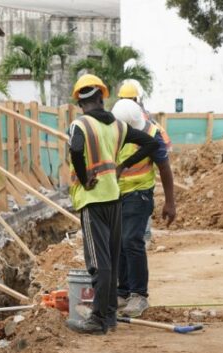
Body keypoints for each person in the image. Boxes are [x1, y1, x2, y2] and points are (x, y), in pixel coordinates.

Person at [66, 74, 159, 335]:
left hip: (92, 199)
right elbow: (151, 142)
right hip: (115, 198)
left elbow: (75, 149)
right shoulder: (118, 126)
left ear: (80, 102)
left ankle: (97, 319)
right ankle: (108, 319)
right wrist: (124, 165)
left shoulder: (80, 125)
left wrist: (84, 179)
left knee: (99, 262)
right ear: (102, 97)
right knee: (112, 258)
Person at [110, 99, 176, 318]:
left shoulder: (151, 132)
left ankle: (139, 295)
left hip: (139, 194)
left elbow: (164, 168)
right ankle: (123, 291)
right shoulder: (111, 130)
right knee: (118, 241)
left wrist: (170, 202)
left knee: (131, 240)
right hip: (115, 195)